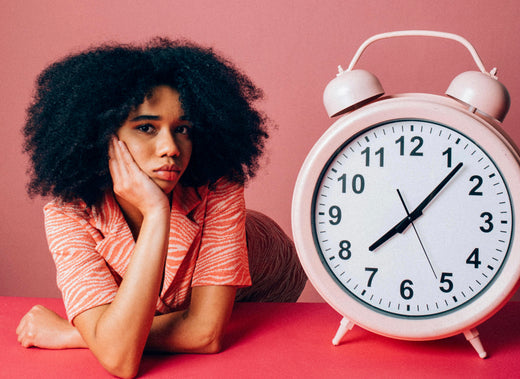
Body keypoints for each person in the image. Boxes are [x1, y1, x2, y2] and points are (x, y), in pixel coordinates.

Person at [16, 38, 306, 378]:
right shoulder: (69, 214)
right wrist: (156, 212)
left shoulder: (219, 186)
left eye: (182, 129)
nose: (170, 148)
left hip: (266, 282)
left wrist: (78, 335)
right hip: (169, 305)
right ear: (100, 137)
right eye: (146, 128)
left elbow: (205, 333)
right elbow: (122, 361)